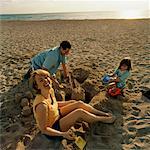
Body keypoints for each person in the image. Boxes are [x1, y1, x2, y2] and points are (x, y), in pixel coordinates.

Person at [30, 69, 116, 141]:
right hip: (53, 129)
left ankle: (102, 113)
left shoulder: (49, 90)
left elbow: (54, 105)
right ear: (37, 86)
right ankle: (103, 119)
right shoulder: (41, 105)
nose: (46, 80)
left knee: (78, 103)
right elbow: (44, 130)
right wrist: (63, 134)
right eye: (41, 80)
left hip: (57, 115)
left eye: (46, 77)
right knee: (79, 112)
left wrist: (71, 102)